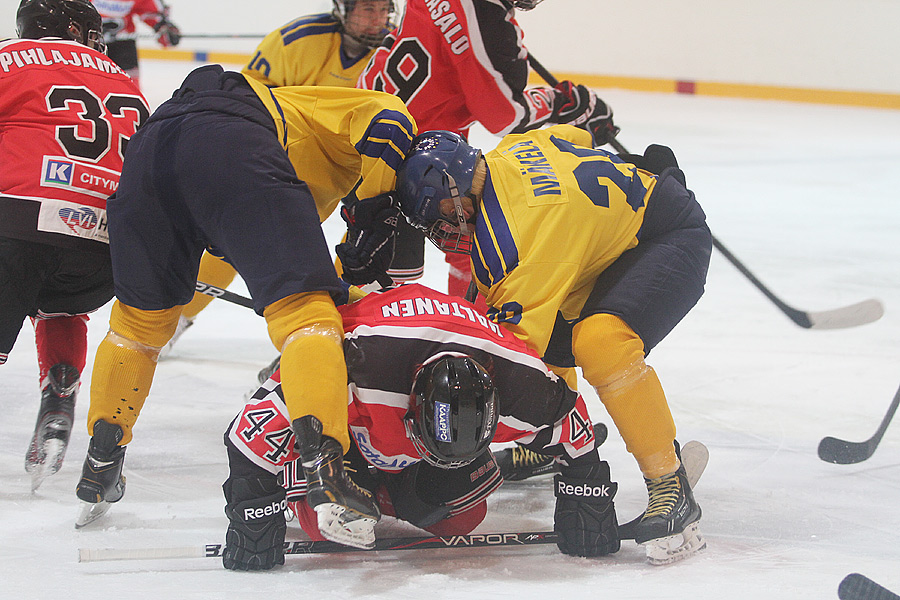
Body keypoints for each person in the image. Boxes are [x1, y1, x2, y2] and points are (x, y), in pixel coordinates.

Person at [72, 62, 417, 537]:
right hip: (235, 140)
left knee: (138, 325)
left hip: (154, 146)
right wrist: (378, 209)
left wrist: (361, 234)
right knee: (305, 316)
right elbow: (391, 119)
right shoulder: (368, 126)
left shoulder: (308, 160)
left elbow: (239, 240)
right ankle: (328, 470)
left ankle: (100, 462)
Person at [396, 128, 712, 565]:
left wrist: (460, 440)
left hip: (670, 237)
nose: (441, 232)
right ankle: (551, 444)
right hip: (611, 244)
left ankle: (669, 484)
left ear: (455, 192)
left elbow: (512, 360)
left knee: (600, 343)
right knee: (535, 334)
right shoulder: (510, 148)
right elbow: (575, 136)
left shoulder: (517, 245)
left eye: (441, 217)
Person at [221, 283, 610, 570]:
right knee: (320, 519)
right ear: (411, 404)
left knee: (463, 516)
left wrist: (588, 491)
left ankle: (381, 494)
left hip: (412, 377)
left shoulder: (527, 388)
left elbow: (575, 428)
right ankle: (318, 475)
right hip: (356, 399)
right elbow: (248, 435)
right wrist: (255, 511)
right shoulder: (355, 363)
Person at [161, 0, 397, 357]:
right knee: (236, 238)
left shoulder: (396, 51)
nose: (377, 19)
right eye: (367, 9)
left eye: (383, 10)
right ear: (343, 10)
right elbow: (244, 104)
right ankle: (178, 316)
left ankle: (328, 334)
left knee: (363, 246)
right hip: (288, 156)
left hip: (361, 161)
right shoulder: (296, 41)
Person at [358, 0, 618, 309]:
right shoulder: (489, 20)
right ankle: (473, 340)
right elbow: (505, 115)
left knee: (372, 263)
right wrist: (566, 103)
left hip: (369, 127)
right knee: (472, 249)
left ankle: (335, 337)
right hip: (415, 159)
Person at [0, 0, 149, 492]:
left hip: (18, 229)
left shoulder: (9, 59)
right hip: (105, 251)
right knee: (61, 305)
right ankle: (61, 389)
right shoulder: (126, 83)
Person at [90, 0, 180, 88]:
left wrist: (163, 28)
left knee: (128, 90)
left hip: (122, 46)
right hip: (88, 43)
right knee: (86, 86)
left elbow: (151, 11)